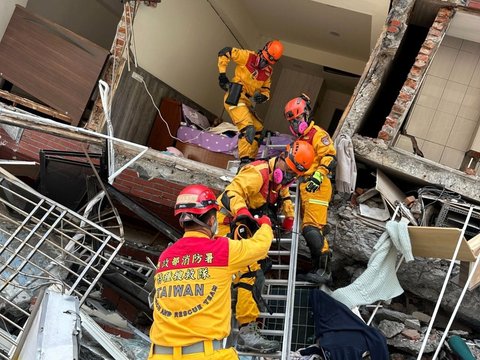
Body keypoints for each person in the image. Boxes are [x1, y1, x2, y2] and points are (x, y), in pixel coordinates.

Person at [148, 184, 274, 360]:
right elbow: (260, 247)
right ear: (211, 221)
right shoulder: (222, 250)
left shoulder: (166, 256)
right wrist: (266, 225)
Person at [217, 140, 315, 353]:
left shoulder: (279, 179)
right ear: (281, 158)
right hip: (230, 223)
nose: (288, 178)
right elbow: (230, 193)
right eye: (288, 172)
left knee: (256, 271)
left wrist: (288, 216)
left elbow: (283, 193)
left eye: (293, 176)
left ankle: (243, 317)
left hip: (247, 224)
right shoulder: (257, 173)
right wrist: (242, 211)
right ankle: (246, 331)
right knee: (249, 272)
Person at [284, 94, 337, 284]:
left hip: (318, 185)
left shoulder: (317, 135)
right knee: (311, 231)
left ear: (306, 114)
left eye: (298, 118)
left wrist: (318, 174)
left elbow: (330, 157)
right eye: (292, 121)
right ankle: (317, 269)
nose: (296, 123)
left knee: (311, 229)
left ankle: (325, 271)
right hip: (305, 187)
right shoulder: (299, 140)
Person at [217, 40, 284, 168]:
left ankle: (250, 161)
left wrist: (263, 97)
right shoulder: (247, 56)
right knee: (248, 128)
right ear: (262, 52)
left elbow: (266, 89)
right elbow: (225, 51)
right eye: (263, 59)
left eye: (268, 62)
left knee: (258, 129)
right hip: (235, 95)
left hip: (247, 102)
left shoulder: (268, 72)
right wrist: (222, 75)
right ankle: (244, 161)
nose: (264, 64)